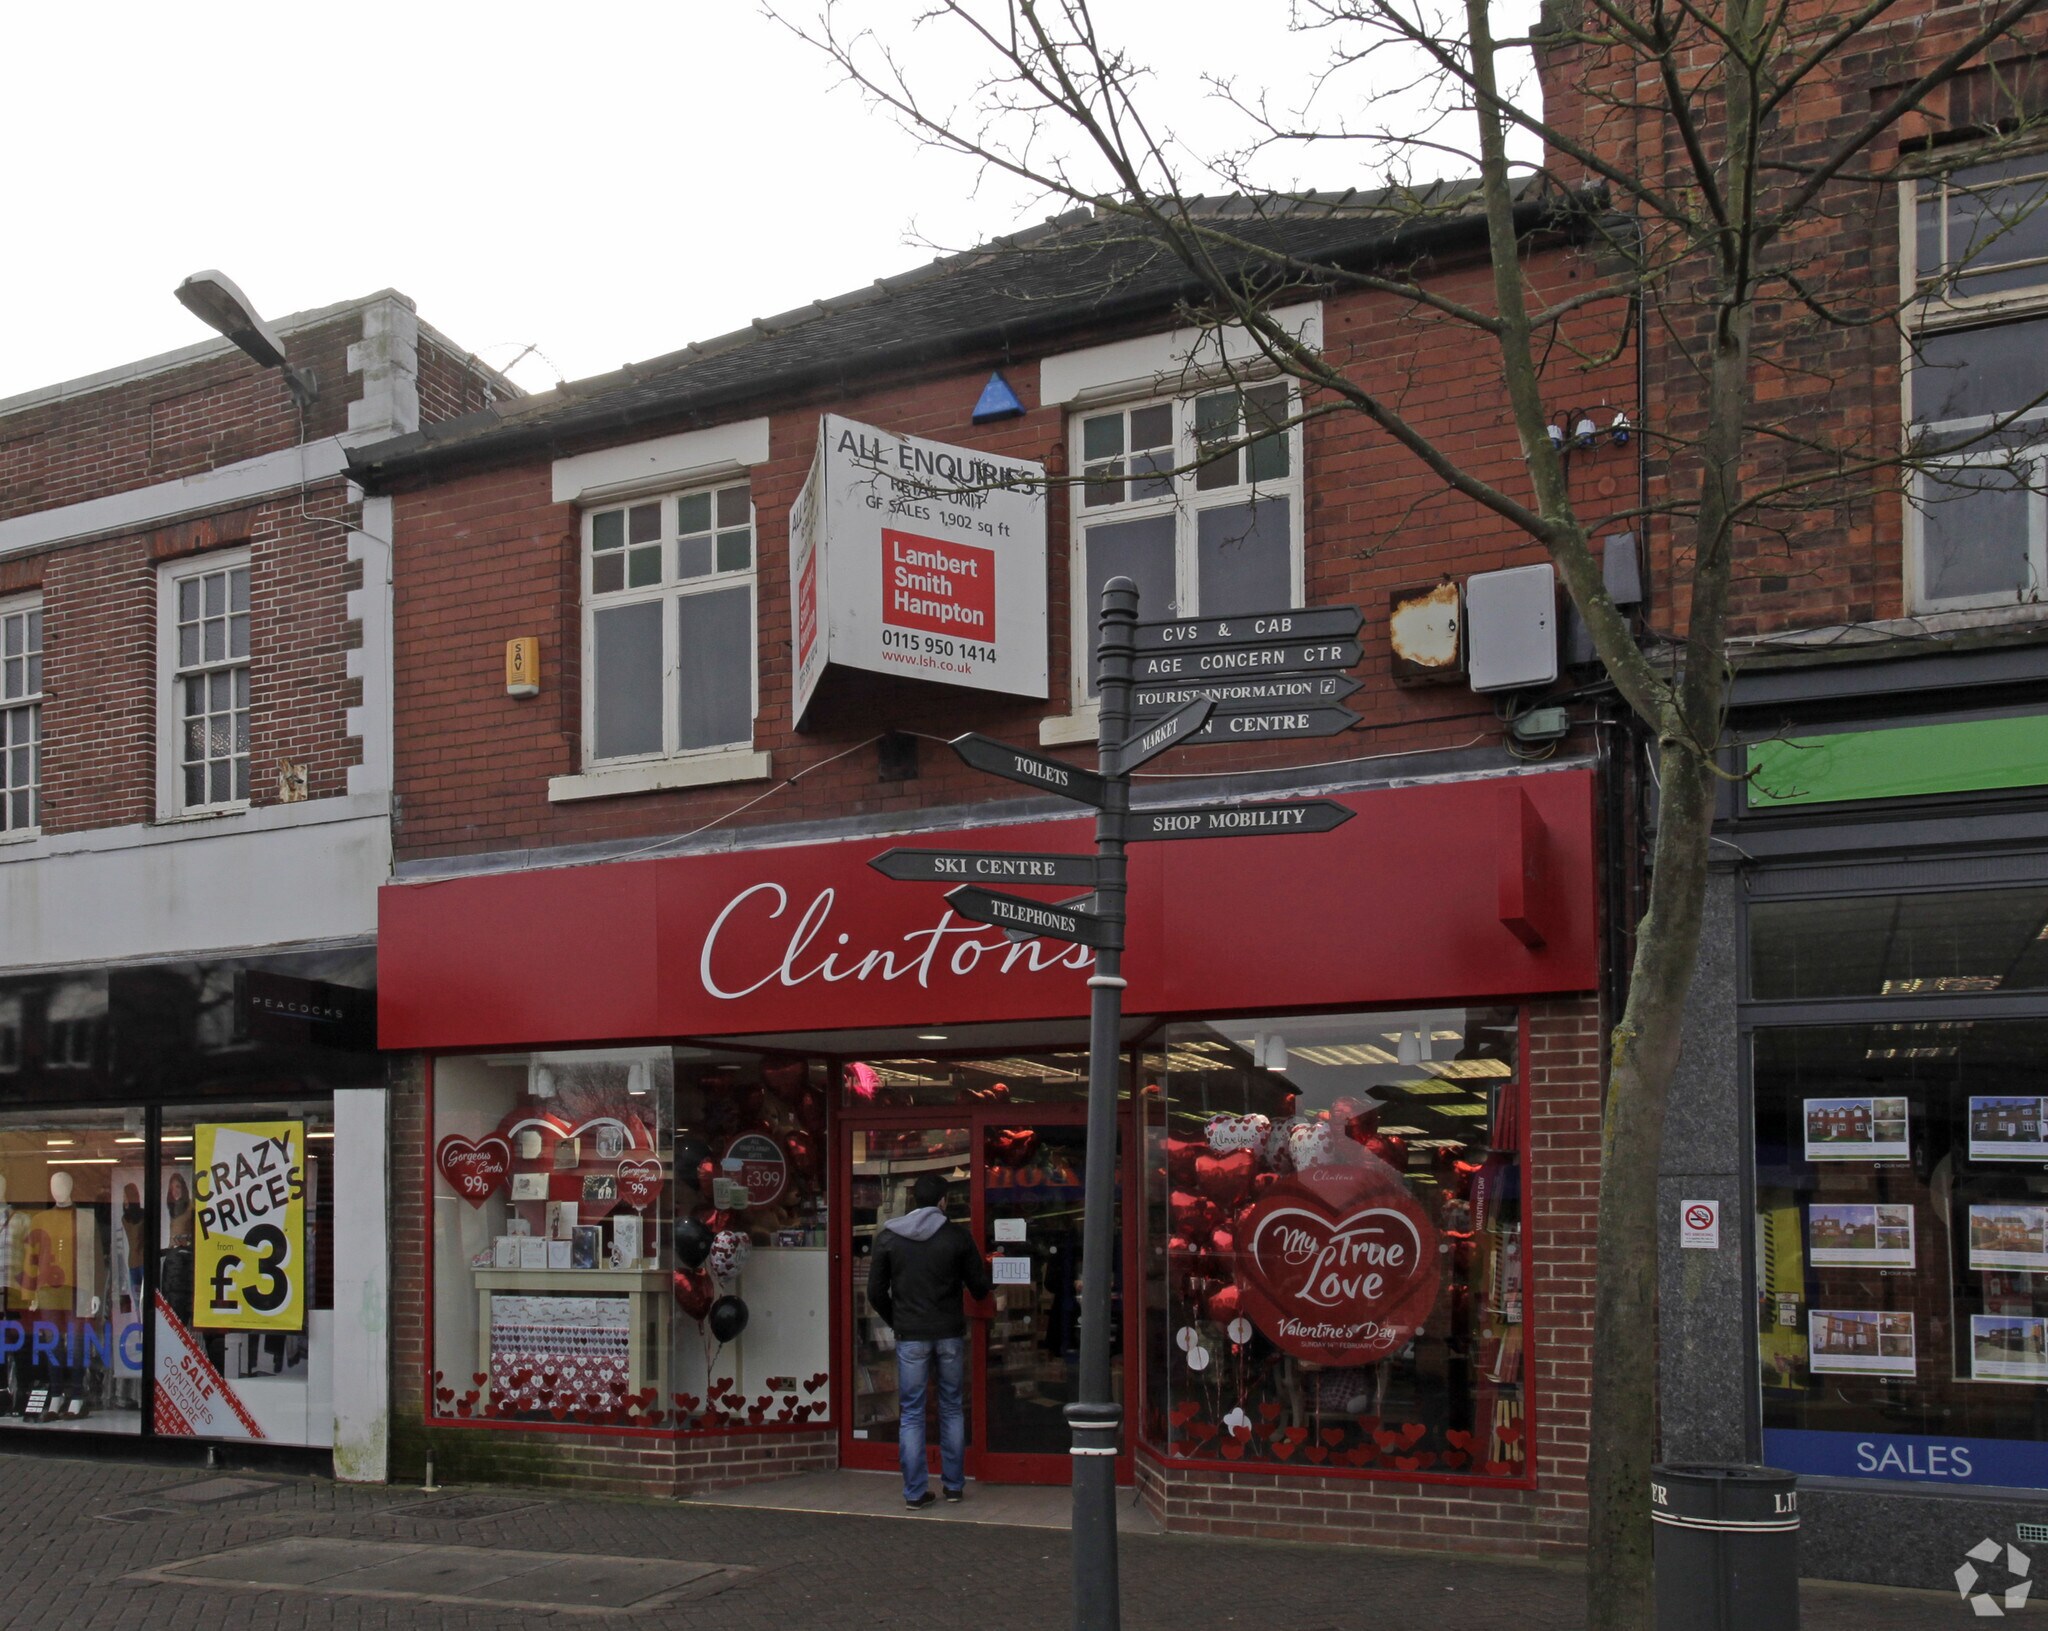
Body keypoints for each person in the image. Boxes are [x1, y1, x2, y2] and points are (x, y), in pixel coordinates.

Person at [866, 1171, 990, 1509]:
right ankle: (954, 1486)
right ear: (943, 1201)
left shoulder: (889, 1238)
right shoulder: (957, 1237)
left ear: (913, 1201)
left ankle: (915, 1492)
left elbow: (875, 1292)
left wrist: (898, 1320)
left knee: (911, 1413)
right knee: (951, 1407)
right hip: (949, 1333)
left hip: (910, 1336)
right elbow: (979, 1288)